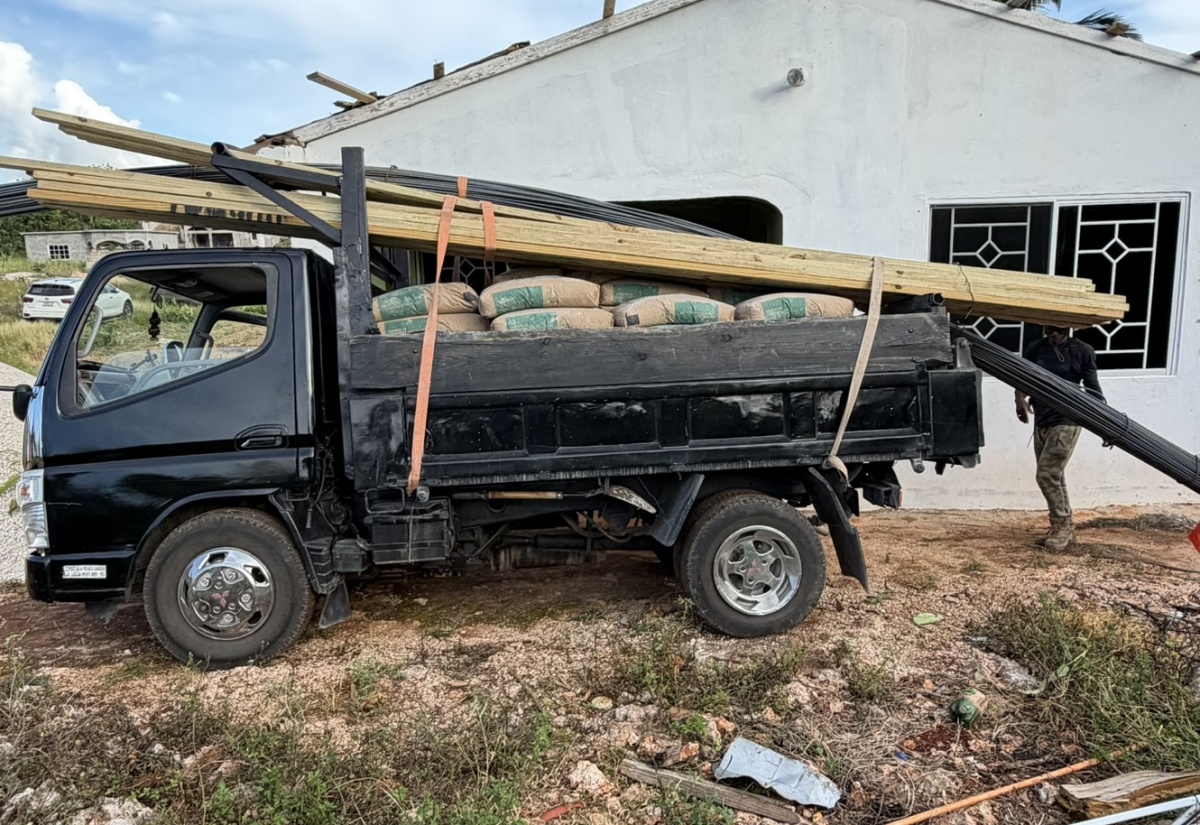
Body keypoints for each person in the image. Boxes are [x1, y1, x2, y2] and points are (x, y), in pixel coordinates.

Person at [1014, 326, 1105, 551]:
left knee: (1046, 474)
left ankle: (1061, 527)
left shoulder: (1081, 350)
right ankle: (1063, 526)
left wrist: (1105, 425)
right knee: (1055, 475)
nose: (1054, 334)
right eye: (1049, 330)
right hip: (1042, 419)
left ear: (1068, 327)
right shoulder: (1036, 349)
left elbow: (1094, 389)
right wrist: (1019, 398)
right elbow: (1023, 376)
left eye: (1059, 330)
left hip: (1068, 419)